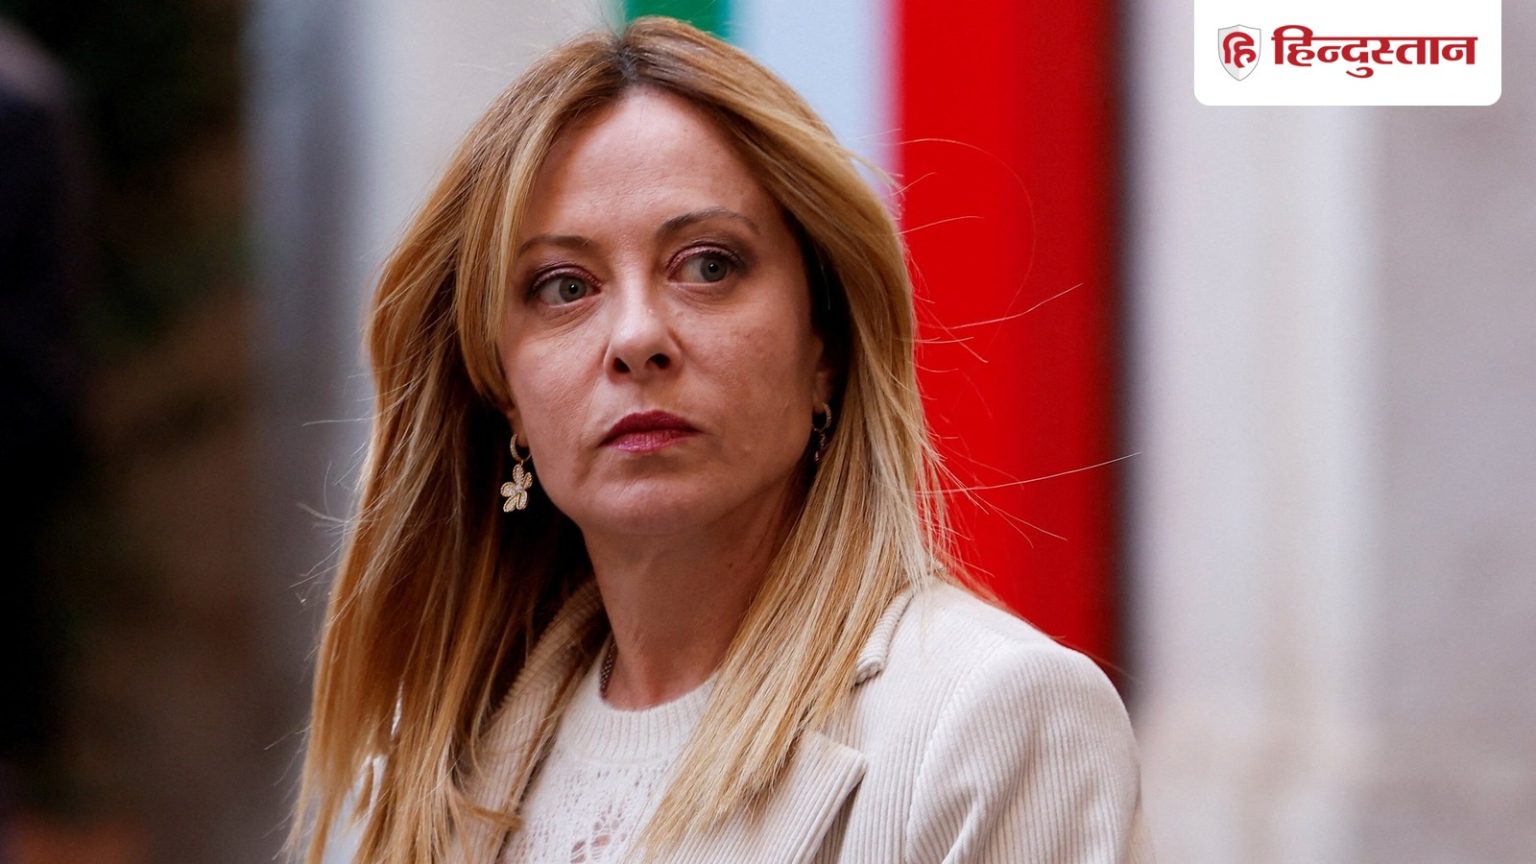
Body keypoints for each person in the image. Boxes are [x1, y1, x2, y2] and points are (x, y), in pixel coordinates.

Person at [293, 16, 1153, 864]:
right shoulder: (430, 773)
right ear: (501, 391)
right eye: (564, 287)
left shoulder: (993, 718)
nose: (637, 336)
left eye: (708, 264)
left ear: (825, 345)